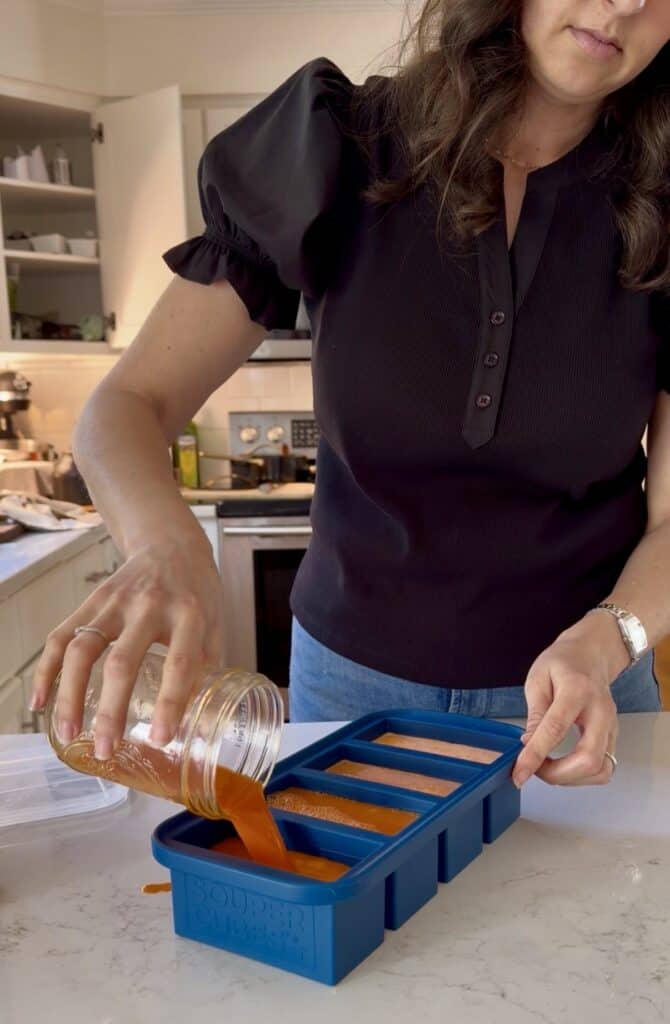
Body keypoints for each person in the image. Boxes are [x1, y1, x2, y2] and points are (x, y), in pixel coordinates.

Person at [31, 0, 670, 790]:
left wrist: (608, 640)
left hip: (583, 695)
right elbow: (127, 404)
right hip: (351, 692)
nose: (625, 3)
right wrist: (164, 543)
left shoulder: (663, 200)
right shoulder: (342, 145)